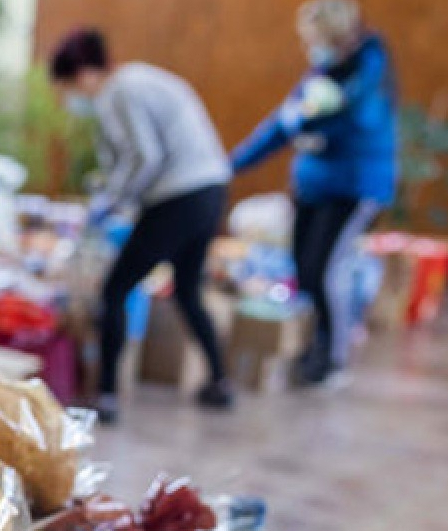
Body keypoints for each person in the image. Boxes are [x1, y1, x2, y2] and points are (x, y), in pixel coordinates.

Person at [51, 29, 234, 424]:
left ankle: (108, 396)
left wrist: (112, 200)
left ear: (82, 74)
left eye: (67, 85)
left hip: (178, 195)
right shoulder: (142, 78)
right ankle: (219, 381)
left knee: (116, 288)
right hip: (210, 190)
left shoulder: (119, 91)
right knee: (187, 290)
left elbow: (144, 157)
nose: (71, 96)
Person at [232, 0, 398, 385]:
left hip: (353, 189)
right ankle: (308, 348)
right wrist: (232, 164)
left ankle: (333, 359)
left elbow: (360, 122)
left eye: (319, 39)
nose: (313, 47)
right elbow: (284, 123)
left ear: (339, 34)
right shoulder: (322, 73)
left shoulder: (371, 71)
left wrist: (315, 126)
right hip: (313, 187)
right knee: (303, 268)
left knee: (327, 270)